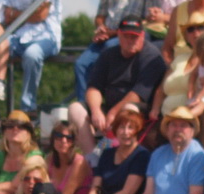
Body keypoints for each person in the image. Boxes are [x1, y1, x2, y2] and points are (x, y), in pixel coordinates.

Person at [67, 18, 165, 156]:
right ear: (118, 35)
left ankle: (120, 155)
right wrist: (96, 111)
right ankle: (92, 158)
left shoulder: (152, 56)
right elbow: (93, 88)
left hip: (139, 110)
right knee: (75, 109)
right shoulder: (108, 54)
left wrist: (113, 114)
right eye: (126, 36)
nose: (130, 40)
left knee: (128, 110)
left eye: (134, 37)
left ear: (142, 36)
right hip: (110, 110)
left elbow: (137, 95)